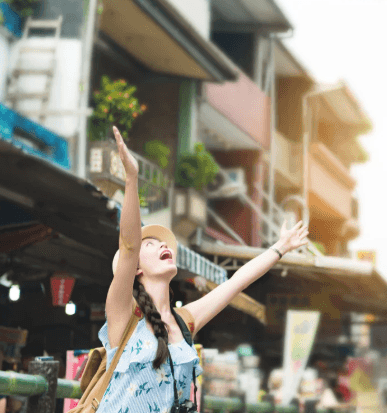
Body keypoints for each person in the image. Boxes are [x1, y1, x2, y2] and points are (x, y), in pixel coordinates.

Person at [99, 126, 309, 413]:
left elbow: (235, 283)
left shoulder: (184, 321)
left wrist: (280, 248)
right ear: (136, 269)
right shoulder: (124, 315)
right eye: (151, 244)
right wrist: (132, 179)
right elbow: (128, 246)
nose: (162, 245)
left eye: (163, 242)